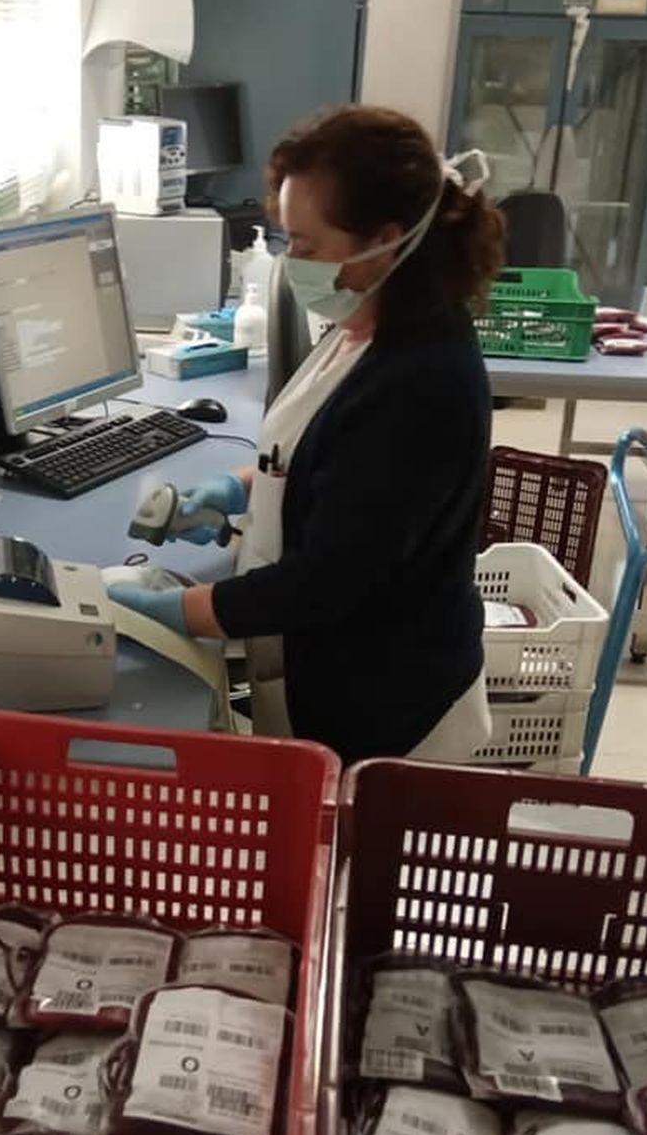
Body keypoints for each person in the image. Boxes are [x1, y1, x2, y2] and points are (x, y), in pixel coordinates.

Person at [109, 104, 505, 764]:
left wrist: (188, 610)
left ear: (387, 239)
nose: (291, 261)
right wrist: (233, 491)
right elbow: (330, 460)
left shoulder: (419, 382)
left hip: (390, 721)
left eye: (306, 244)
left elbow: (327, 580)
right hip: (339, 680)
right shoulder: (367, 326)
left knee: (353, 863)